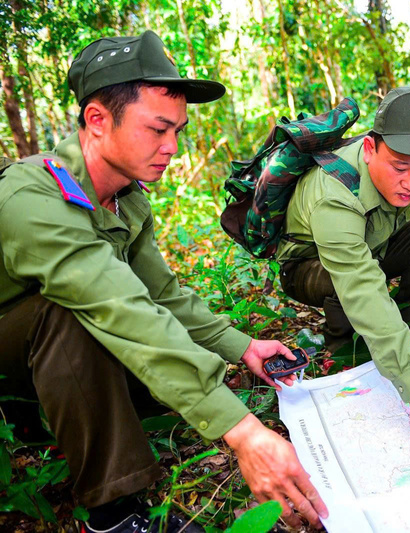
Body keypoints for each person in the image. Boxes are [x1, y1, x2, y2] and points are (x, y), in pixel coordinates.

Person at [0, 31, 327, 532]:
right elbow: (119, 306)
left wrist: (242, 347)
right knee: (66, 311)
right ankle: (113, 516)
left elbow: (161, 294)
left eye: (178, 130)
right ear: (97, 120)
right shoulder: (32, 197)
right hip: (15, 355)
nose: (171, 147)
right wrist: (242, 432)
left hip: (53, 356)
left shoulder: (126, 199)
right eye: (157, 129)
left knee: (163, 380)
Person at [276, 87, 410, 464]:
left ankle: (406, 334)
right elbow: (362, 286)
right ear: (370, 149)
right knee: (354, 286)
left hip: (373, 250)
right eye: (400, 168)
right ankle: (342, 354)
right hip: (310, 266)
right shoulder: (335, 194)